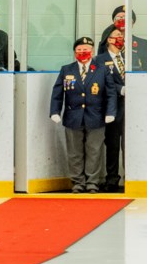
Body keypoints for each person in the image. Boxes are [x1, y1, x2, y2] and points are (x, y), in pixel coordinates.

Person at [50, 37, 117, 193]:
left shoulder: (102, 69)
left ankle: (93, 182)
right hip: (73, 117)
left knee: (94, 150)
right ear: (74, 52)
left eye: (86, 49)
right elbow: (57, 93)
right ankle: (78, 182)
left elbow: (111, 93)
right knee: (75, 152)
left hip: (97, 117)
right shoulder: (67, 69)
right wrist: (54, 111)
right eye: (79, 50)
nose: (83, 52)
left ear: (92, 51)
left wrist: (110, 112)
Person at [97, 28, 128, 193]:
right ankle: (112, 178)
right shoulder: (100, 60)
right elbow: (100, 81)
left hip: (131, 106)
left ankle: (130, 176)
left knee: (129, 144)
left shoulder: (130, 57)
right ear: (108, 39)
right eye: (117, 36)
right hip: (112, 106)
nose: (120, 38)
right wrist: (120, 89)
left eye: (122, 36)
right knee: (113, 143)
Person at [97, 5, 147, 72]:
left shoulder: (144, 44)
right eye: (118, 18)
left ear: (132, 23)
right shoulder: (105, 43)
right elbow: (100, 68)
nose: (121, 20)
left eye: (125, 18)